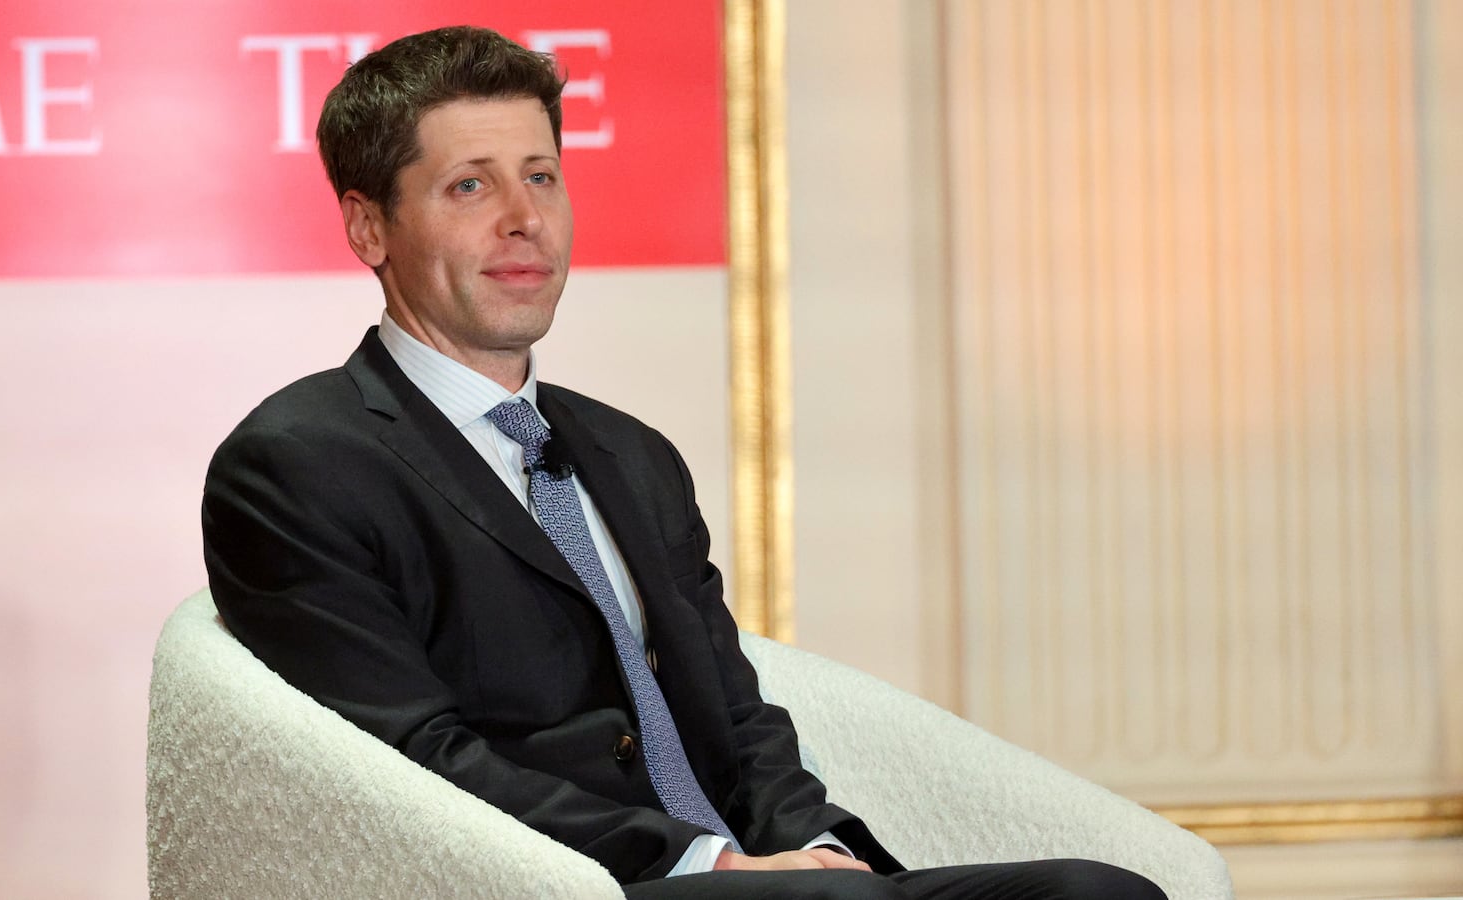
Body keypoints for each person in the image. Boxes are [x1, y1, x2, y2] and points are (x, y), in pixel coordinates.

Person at [202, 25, 1168, 900]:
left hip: (764, 877)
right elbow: (411, 762)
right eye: (471, 185)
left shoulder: (630, 453)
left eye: (542, 176)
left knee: (1097, 893)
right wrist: (710, 865)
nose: (524, 218)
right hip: (568, 883)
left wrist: (810, 844)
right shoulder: (298, 465)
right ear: (369, 227)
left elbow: (736, 716)